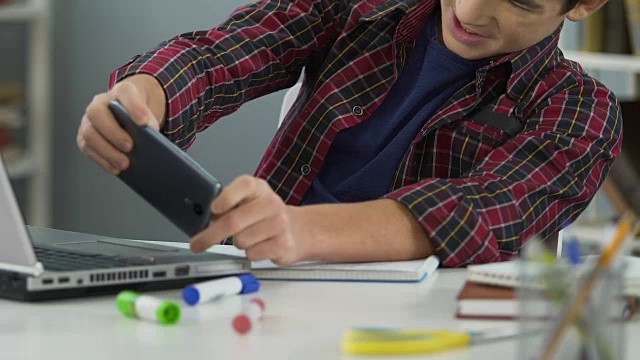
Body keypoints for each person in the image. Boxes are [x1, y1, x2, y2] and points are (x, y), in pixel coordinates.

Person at [77, 0, 617, 267]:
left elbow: (481, 210)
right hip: (262, 295)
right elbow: (226, 53)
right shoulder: (357, 9)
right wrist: (146, 93)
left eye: (520, 0)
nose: (472, 11)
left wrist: (299, 230)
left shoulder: (580, 113)